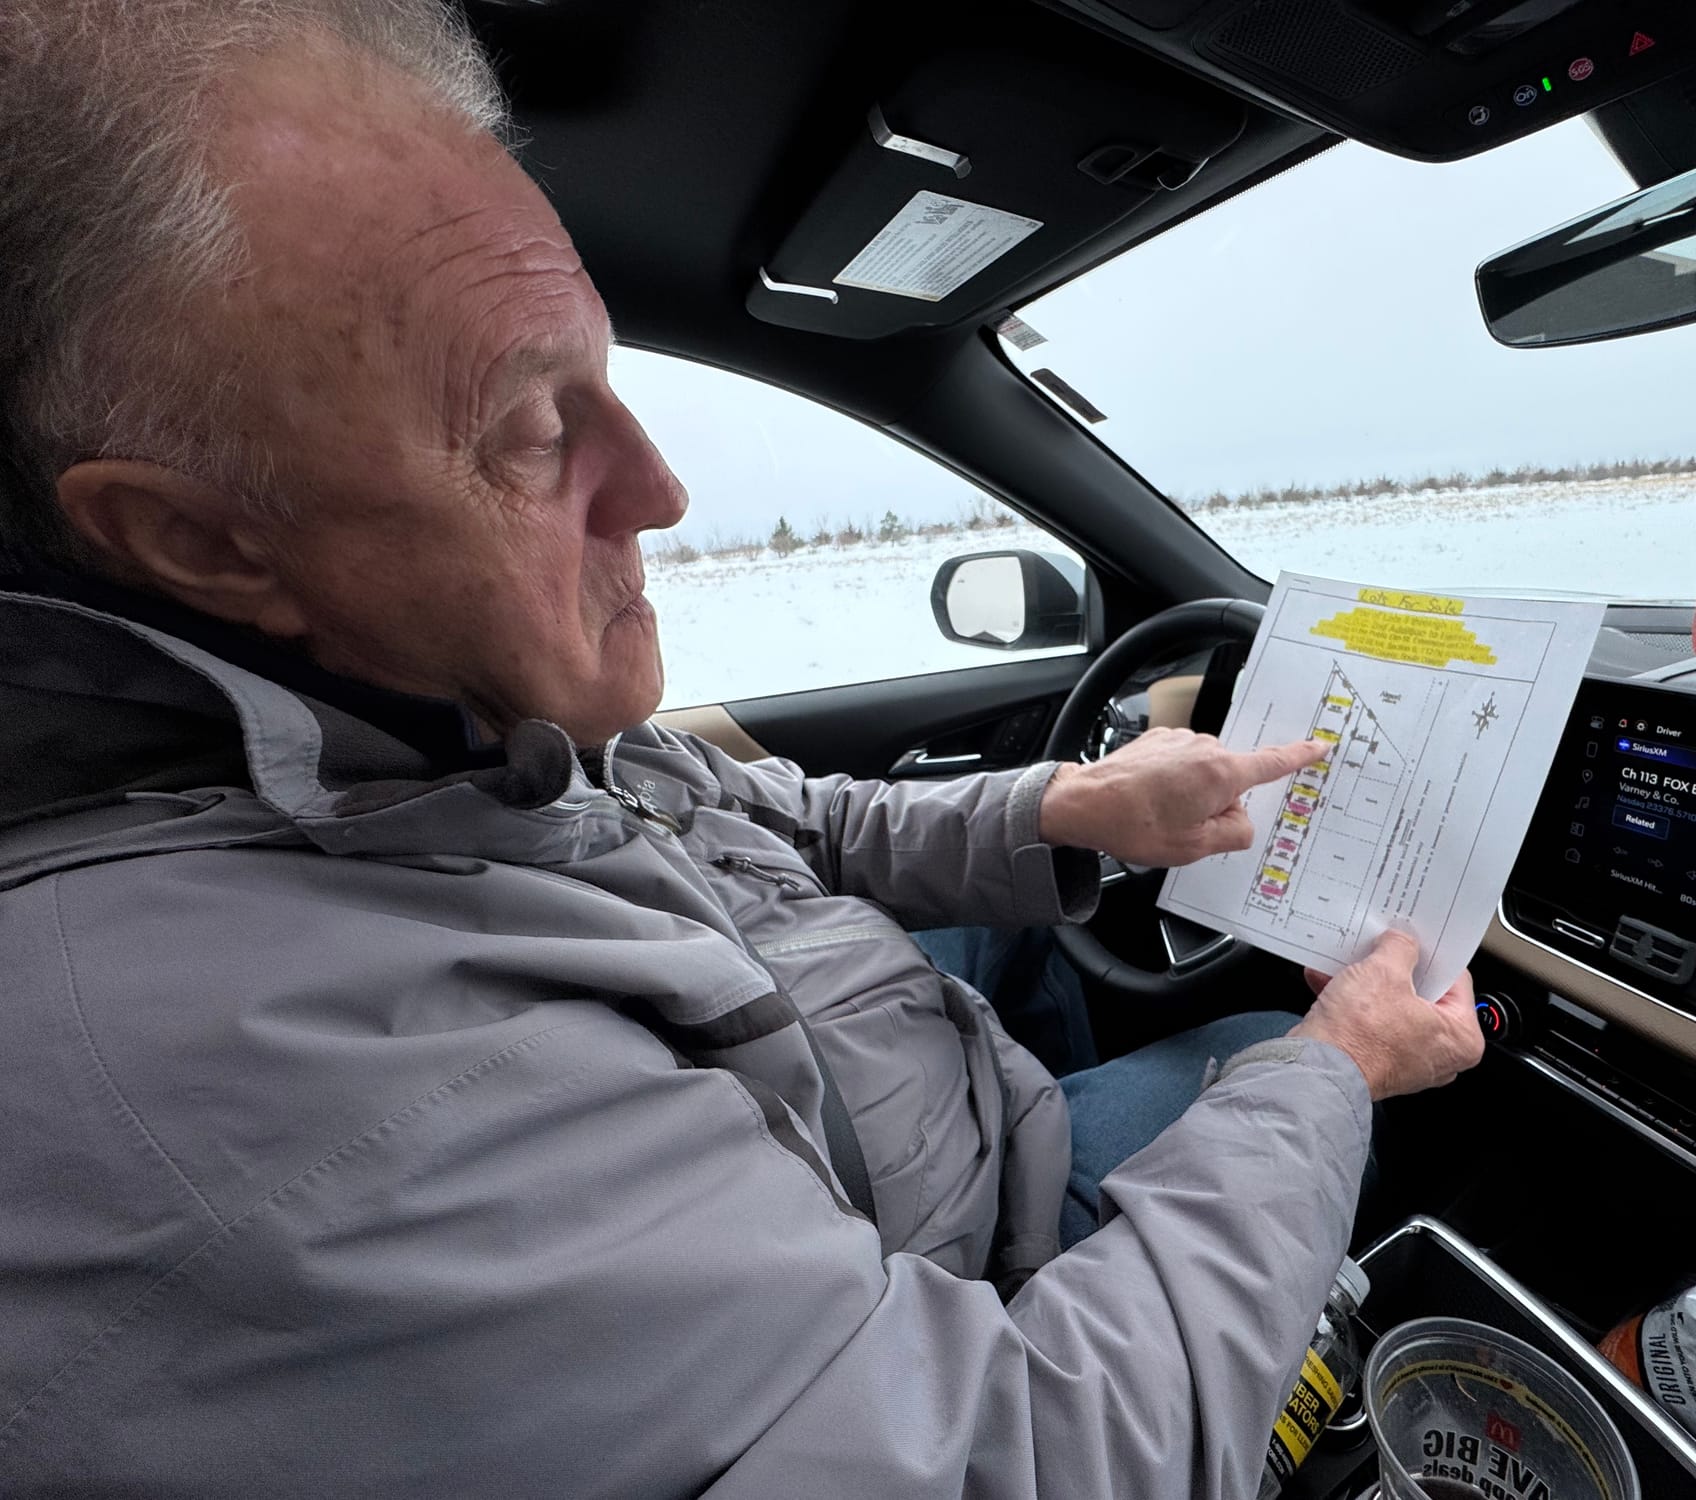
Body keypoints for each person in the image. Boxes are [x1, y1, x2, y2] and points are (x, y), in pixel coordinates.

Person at [0, 3, 1487, 1496]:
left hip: (935, 1136)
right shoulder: (297, 1085)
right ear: (197, 539)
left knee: (1058, 965)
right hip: (998, 1291)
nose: (657, 485)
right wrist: (1331, 1069)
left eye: (607, 379)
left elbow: (796, 825)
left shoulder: (454, 719)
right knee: (1252, 1056)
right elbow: (1025, 1455)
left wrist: (1074, 805)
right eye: (526, 428)